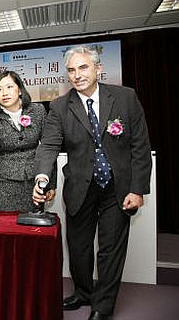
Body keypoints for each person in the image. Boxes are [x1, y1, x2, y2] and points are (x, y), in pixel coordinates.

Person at [33, 45, 151, 320]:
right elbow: (48, 145)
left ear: (98, 68)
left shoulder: (125, 98)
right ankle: (84, 292)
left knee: (110, 249)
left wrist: (137, 188)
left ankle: (102, 306)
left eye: (83, 67)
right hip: (79, 187)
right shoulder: (60, 106)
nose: (77, 75)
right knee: (79, 248)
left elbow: (140, 146)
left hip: (116, 187)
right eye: (71, 70)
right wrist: (42, 176)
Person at [0, 70, 55, 212]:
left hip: (35, 181)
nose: (4, 93)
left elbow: (48, 147)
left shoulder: (38, 111)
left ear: (19, 90)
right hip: (4, 184)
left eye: (9, 87)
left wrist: (50, 183)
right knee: (8, 227)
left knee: (33, 228)